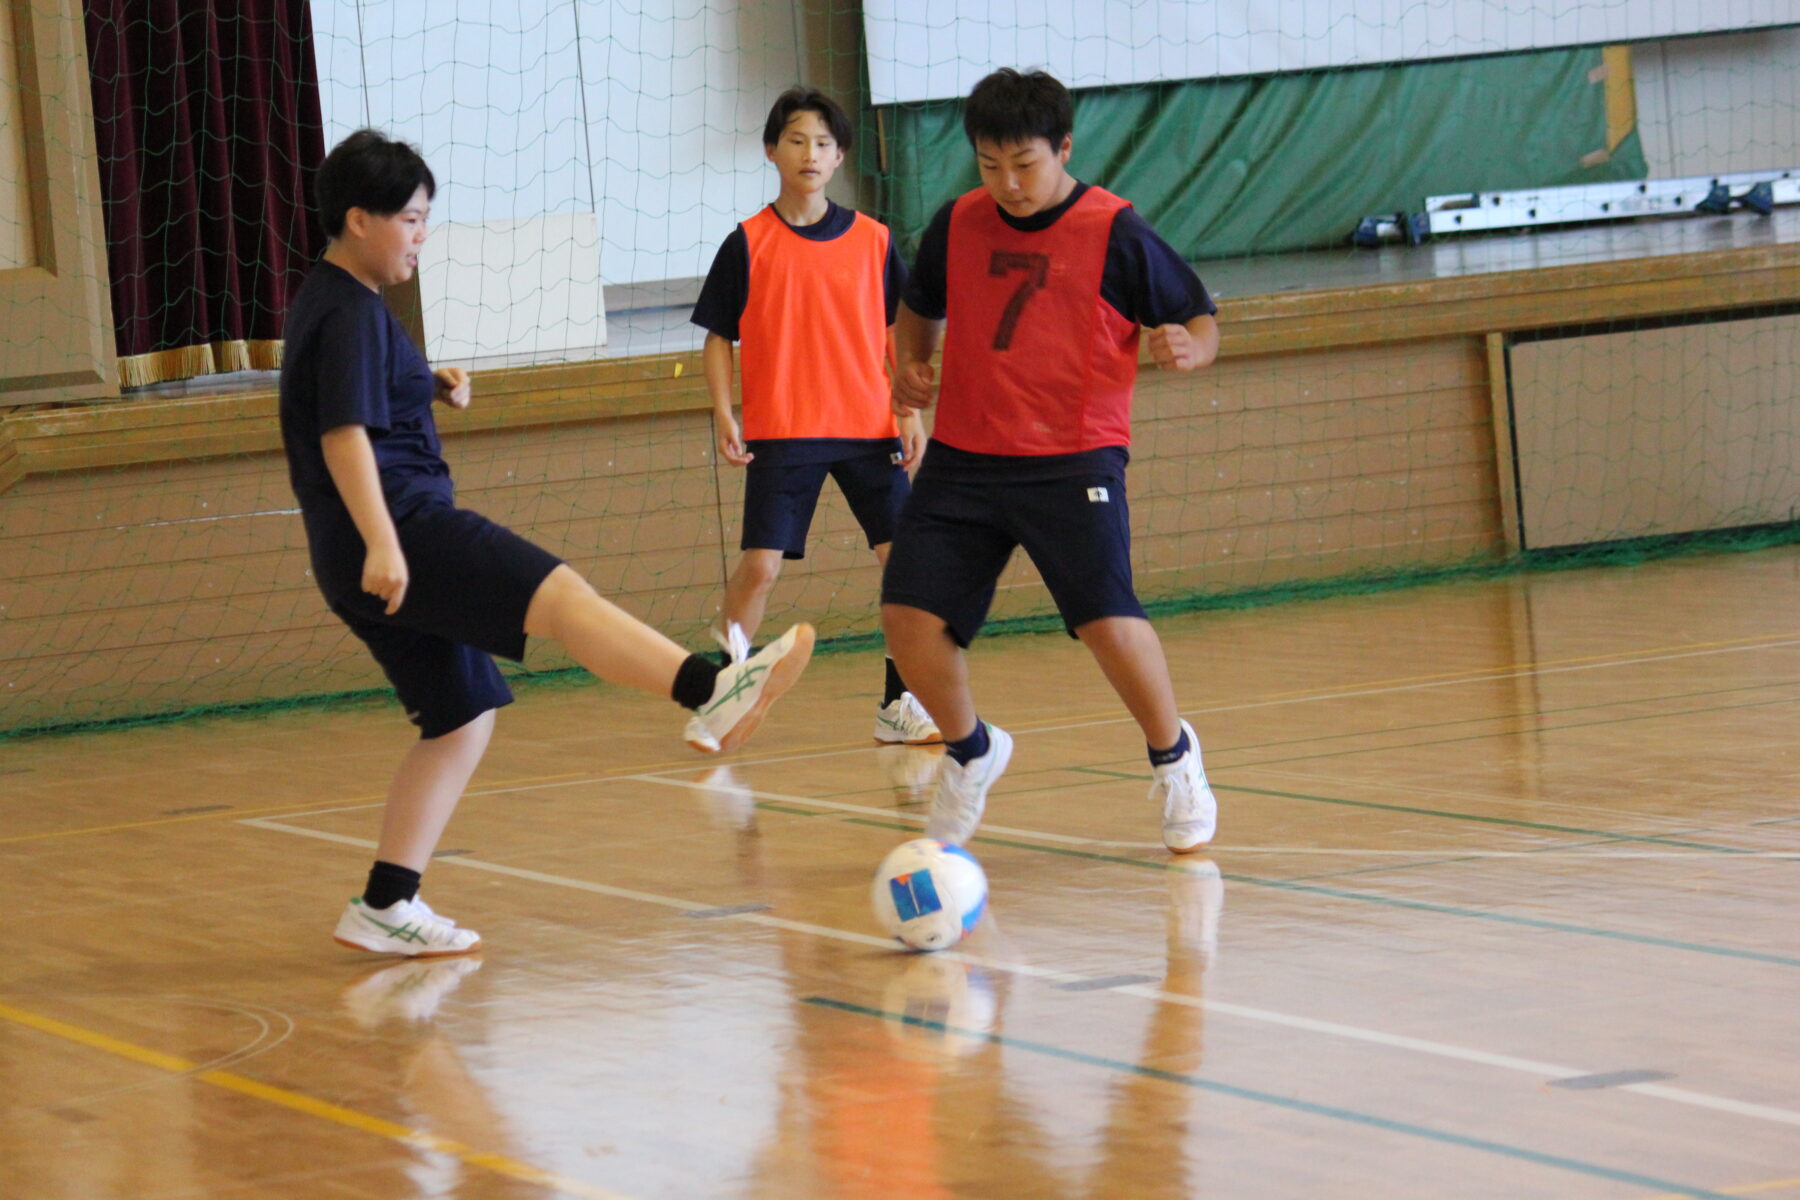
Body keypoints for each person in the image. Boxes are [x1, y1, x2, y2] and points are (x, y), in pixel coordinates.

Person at [279, 129, 813, 958]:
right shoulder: (348, 313)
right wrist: (385, 543)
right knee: (562, 598)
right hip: (403, 534)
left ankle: (386, 903)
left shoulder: (339, 303)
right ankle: (710, 689)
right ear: (358, 219)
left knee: (461, 718)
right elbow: (342, 434)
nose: (422, 235)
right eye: (412, 220)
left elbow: (369, 399)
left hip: (364, 551)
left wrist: (432, 381)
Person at [882, 68, 1220, 853]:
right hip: (965, 455)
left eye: (1025, 164)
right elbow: (919, 305)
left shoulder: (1115, 231)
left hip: (1072, 459)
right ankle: (971, 751)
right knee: (907, 614)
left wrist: (1188, 349)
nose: (1007, 183)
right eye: (989, 165)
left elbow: (1198, 317)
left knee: (1107, 619)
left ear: (1064, 148)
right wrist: (911, 366)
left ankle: (1175, 757)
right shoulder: (958, 221)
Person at [690, 86, 939, 747]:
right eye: (797, 139)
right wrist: (723, 409)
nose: (811, 153)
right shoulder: (746, 243)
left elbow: (898, 330)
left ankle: (900, 701)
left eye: (825, 143)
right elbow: (718, 334)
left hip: (870, 427)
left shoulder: (874, 240)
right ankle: (726, 687)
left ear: (840, 158)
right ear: (772, 150)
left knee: (905, 563)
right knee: (761, 567)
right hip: (784, 430)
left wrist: (909, 411)